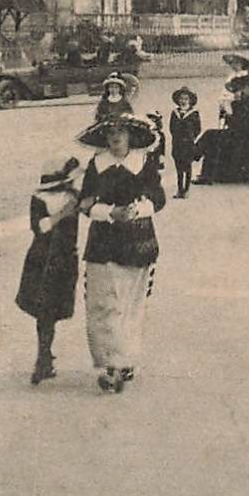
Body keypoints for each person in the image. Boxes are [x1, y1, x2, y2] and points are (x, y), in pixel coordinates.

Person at [77, 115, 168, 394]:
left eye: (121, 132)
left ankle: (125, 360)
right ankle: (109, 365)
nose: (115, 137)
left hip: (137, 242)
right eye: (111, 133)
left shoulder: (144, 163)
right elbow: (85, 202)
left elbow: (159, 197)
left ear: (130, 136)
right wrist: (109, 213)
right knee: (103, 303)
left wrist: (137, 210)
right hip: (103, 241)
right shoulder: (96, 164)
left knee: (130, 304)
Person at [17, 156, 83, 385]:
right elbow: (39, 227)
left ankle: (45, 354)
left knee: (50, 311)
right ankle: (43, 357)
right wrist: (64, 213)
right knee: (46, 309)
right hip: (44, 260)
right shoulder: (43, 200)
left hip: (61, 259)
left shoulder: (74, 198)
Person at [167, 86, 201, 199]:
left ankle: (186, 189)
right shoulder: (175, 112)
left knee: (187, 166)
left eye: (186, 99)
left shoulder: (194, 113)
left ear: (190, 101)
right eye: (181, 98)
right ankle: (179, 189)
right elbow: (171, 127)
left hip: (188, 144)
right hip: (177, 143)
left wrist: (191, 137)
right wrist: (177, 136)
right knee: (179, 167)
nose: (183, 101)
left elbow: (198, 128)